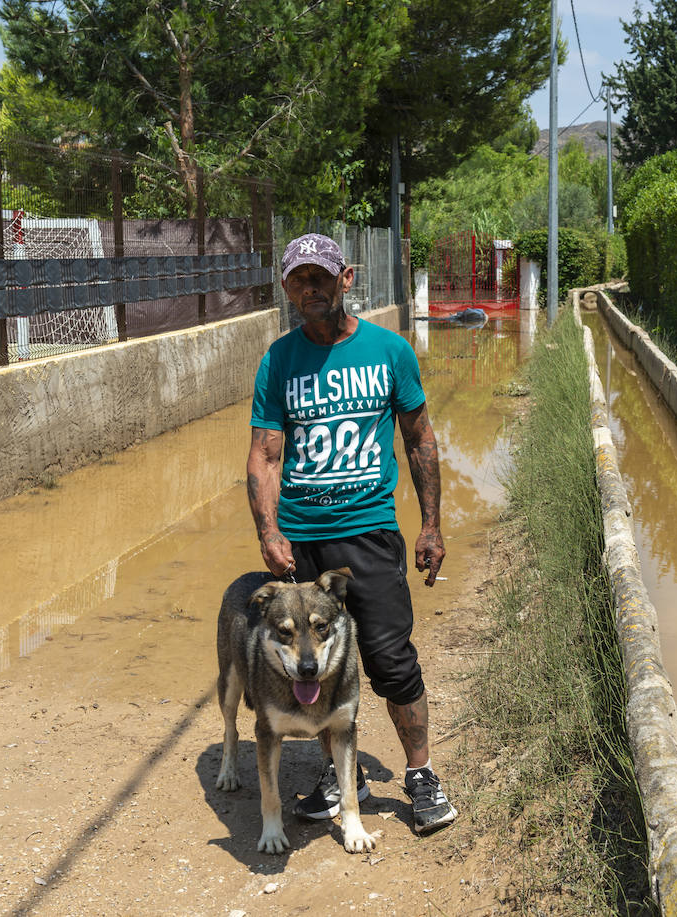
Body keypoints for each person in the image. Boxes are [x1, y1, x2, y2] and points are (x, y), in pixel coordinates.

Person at [245, 232, 457, 836]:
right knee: (315, 667)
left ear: (347, 278)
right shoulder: (278, 361)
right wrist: (268, 533)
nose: (309, 288)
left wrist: (431, 526)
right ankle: (345, 778)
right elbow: (263, 456)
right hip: (303, 542)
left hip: (370, 533)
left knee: (390, 659)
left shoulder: (389, 351)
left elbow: (419, 439)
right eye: (297, 279)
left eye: (320, 276)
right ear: (286, 289)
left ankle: (420, 775)